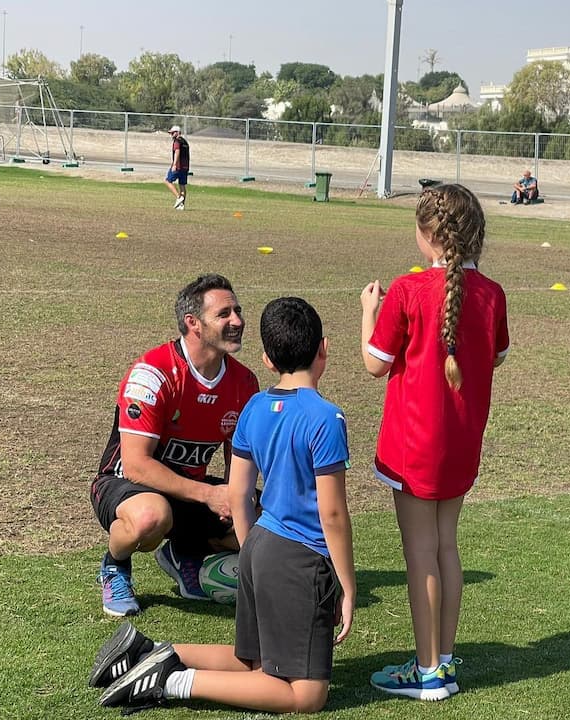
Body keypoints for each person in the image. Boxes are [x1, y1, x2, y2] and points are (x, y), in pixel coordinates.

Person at [91, 296, 355, 714]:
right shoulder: (326, 418)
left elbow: (238, 492)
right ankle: (169, 680)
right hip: (300, 558)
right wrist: (347, 582)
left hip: (260, 545)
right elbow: (333, 513)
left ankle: (152, 650)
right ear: (324, 347)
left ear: (267, 360)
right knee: (306, 696)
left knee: (252, 661)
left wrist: (248, 549)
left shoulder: (253, 405)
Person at [360, 183, 510, 700]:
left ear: (428, 235)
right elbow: (493, 356)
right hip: (462, 443)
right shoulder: (492, 294)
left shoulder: (406, 289)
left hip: (412, 445)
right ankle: (441, 662)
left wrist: (367, 311)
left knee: (421, 553)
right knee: (446, 547)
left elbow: (374, 364)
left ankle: (427, 673)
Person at [90, 274, 260, 617]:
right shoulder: (151, 373)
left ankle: (184, 554)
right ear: (192, 323)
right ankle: (115, 565)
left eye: (238, 311)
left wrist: (239, 499)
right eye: (224, 314)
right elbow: (137, 465)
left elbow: (238, 463)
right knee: (151, 517)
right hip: (126, 484)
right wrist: (211, 495)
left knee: (263, 523)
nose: (238, 321)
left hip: (190, 491)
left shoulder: (244, 382)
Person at [165, 125, 190, 210]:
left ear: (178, 132)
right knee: (182, 185)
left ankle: (179, 197)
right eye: (170, 133)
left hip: (178, 166)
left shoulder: (177, 141)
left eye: (172, 133)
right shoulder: (185, 142)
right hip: (185, 167)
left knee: (168, 181)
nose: (171, 135)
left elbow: (177, 152)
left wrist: (174, 164)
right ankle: (181, 205)